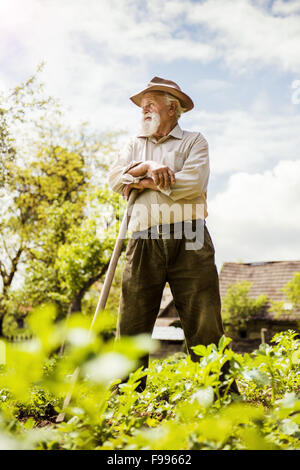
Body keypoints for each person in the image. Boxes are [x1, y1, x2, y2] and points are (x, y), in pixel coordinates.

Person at [108, 77, 239, 394]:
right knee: (133, 321)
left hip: (191, 233)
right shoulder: (134, 145)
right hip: (143, 236)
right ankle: (126, 397)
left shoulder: (195, 141)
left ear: (173, 107)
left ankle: (219, 395)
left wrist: (139, 179)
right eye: (142, 104)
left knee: (203, 319)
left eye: (151, 102)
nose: (144, 108)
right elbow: (114, 179)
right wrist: (150, 166)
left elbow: (191, 185)